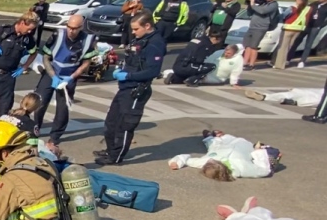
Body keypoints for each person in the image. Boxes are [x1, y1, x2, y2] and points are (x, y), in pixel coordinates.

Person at [96, 13, 166, 166]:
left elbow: (152, 71)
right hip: (125, 88)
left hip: (136, 89)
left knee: (125, 125)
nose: (133, 32)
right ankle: (110, 150)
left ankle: (116, 156)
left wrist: (128, 76)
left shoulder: (155, 44)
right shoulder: (140, 40)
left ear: (147, 26)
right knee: (111, 122)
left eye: (136, 29)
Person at [33, 14, 98, 146]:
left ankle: (55, 136)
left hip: (69, 75)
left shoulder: (88, 40)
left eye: (74, 28)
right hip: (52, 72)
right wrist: (53, 76)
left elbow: (86, 62)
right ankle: (35, 128)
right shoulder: (58, 35)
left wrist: (72, 77)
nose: (71, 30)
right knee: (40, 102)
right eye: (69, 27)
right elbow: (46, 57)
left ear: (81, 27)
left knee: (63, 108)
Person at [0, 12, 38, 137]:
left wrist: (24, 67)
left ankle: (0, 127)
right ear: (22, 23)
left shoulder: (27, 39)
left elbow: (34, 53)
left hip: (9, 75)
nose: (30, 32)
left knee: (5, 106)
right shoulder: (3, 32)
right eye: (29, 28)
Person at [168, 130, 277, 180]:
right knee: (223, 142)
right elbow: (264, 170)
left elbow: (186, 159)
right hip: (244, 145)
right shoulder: (242, 168)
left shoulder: (205, 162)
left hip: (220, 149)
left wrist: (176, 162)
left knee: (213, 145)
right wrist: (259, 152)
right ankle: (218, 136)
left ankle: (213, 137)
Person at [242, 0, 280, 70]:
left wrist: (253, 5)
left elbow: (262, 11)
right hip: (252, 26)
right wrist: (250, 5)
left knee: (254, 46)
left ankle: (251, 64)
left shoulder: (273, 5)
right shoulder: (263, 3)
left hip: (260, 28)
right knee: (247, 45)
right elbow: (250, 13)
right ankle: (245, 63)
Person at [274, 0, 309, 69]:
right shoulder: (308, 8)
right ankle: (285, 61)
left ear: (299, 0)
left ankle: (279, 65)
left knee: (282, 47)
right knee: (289, 47)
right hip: (298, 29)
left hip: (288, 28)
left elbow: (283, 16)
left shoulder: (292, 8)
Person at [296, 0, 327, 68]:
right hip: (307, 25)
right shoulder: (314, 3)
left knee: (309, 44)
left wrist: (321, 25)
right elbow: (306, 10)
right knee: (297, 40)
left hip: (315, 27)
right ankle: (288, 58)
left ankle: (302, 61)